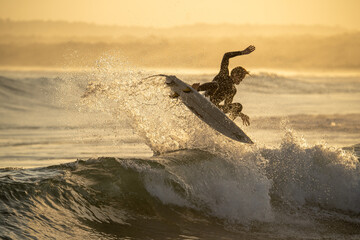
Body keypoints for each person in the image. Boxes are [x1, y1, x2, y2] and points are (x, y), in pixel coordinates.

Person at [192, 45, 255, 126]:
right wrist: (242, 52)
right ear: (234, 74)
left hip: (214, 108)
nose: (241, 79)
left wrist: (240, 114)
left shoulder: (233, 90)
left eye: (242, 78)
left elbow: (227, 106)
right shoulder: (224, 74)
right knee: (215, 85)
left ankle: (228, 123)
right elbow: (226, 56)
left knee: (238, 106)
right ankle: (195, 89)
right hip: (206, 99)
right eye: (240, 77)